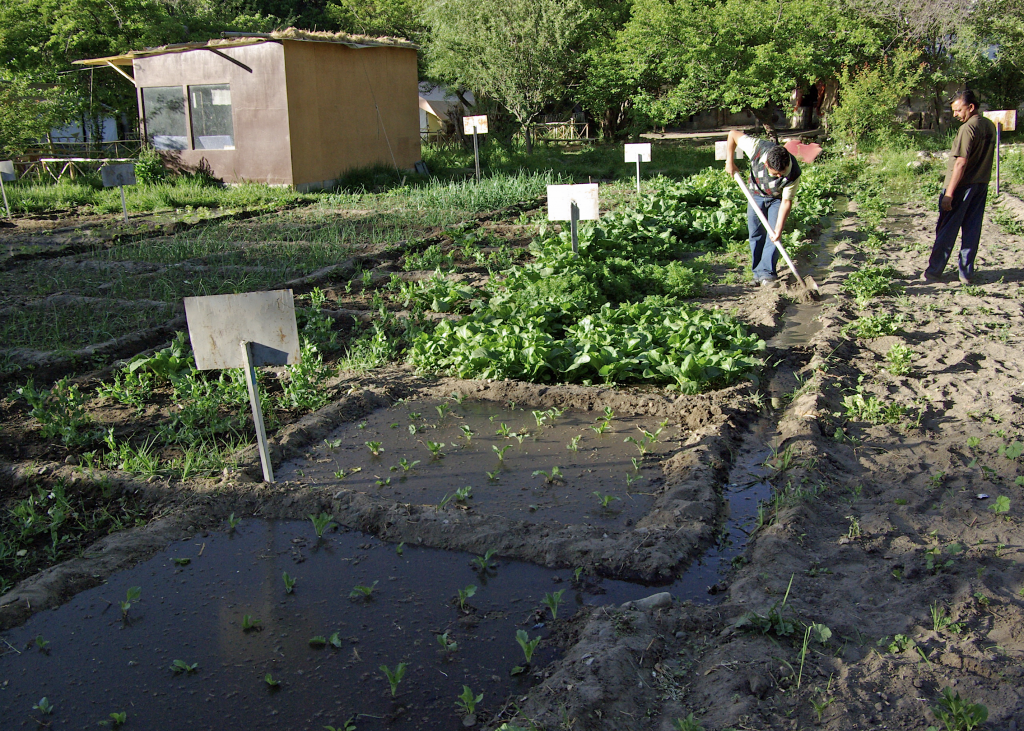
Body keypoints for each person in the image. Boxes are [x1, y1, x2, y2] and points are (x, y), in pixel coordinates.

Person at [922, 89, 997, 284]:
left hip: (962, 186)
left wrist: (949, 193)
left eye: (958, 110)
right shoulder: (989, 126)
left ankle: (934, 271)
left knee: (946, 230)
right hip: (981, 184)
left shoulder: (968, 128)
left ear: (970, 107)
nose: (955, 115)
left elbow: (960, 163)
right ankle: (966, 273)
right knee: (972, 230)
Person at [724, 129, 801, 286]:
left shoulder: (793, 173)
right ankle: (757, 273)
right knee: (756, 234)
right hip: (756, 195)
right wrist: (729, 161)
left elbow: (786, 202)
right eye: (776, 174)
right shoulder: (756, 148)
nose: (780, 176)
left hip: (777, 200)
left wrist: (778, 230)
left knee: (773, 235)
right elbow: (732, 134)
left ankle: (767, 273)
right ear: (766, 164)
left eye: (782, 173)